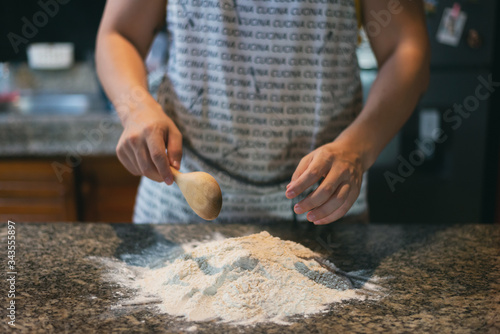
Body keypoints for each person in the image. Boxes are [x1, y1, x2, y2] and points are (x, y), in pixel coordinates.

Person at [96, 0, 430, 224]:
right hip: (181, 210)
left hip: (325, 206)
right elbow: (119, 33)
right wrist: (136, 107)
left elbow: (406, 47)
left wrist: (357, 148)